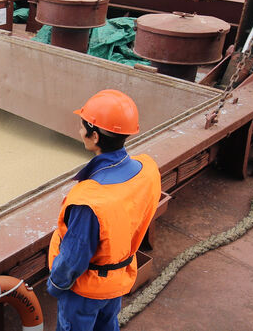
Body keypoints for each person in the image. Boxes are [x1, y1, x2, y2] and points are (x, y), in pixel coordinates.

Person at [47, 89, 162, 331]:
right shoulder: (147, 171)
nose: (80, 132)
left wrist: (56, 284)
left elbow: (74, 257)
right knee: (107, 324)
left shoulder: (89, 201)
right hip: (118, 279)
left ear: (95, 136)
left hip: (85, 290)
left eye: (82, 127)